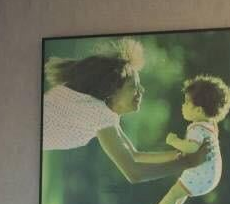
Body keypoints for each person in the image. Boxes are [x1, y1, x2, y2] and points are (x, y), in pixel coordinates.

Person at [42, 39, 206, 182]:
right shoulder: (99, 113)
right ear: (112, 89)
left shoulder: (99, 110)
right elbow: (134, 174)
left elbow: (135, 155)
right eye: (133, 86)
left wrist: (181, 155)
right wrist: (188, 163)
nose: (141, 90)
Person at [138, 75, 230, 204]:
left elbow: (191, 147)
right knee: (182, 189)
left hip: (201, 176)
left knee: (174, 192)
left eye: (186, 102)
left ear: (199, 110)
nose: (182, 106)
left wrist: (174, 141)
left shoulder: (197, 129)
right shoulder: (211, 125)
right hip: (211, 176)